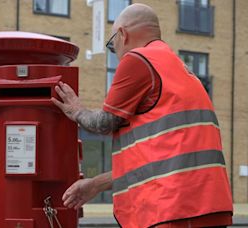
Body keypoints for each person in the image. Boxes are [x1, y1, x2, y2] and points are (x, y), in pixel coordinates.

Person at [51, 3, 233, 228]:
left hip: (173, 210)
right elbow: (156, 165)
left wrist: (76, 110)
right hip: (209, 207)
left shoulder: (138, 60)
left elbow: (104, 123)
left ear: (122, 34)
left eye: (112, 46)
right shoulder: (180, 69)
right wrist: (96, 184)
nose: (116, 54)